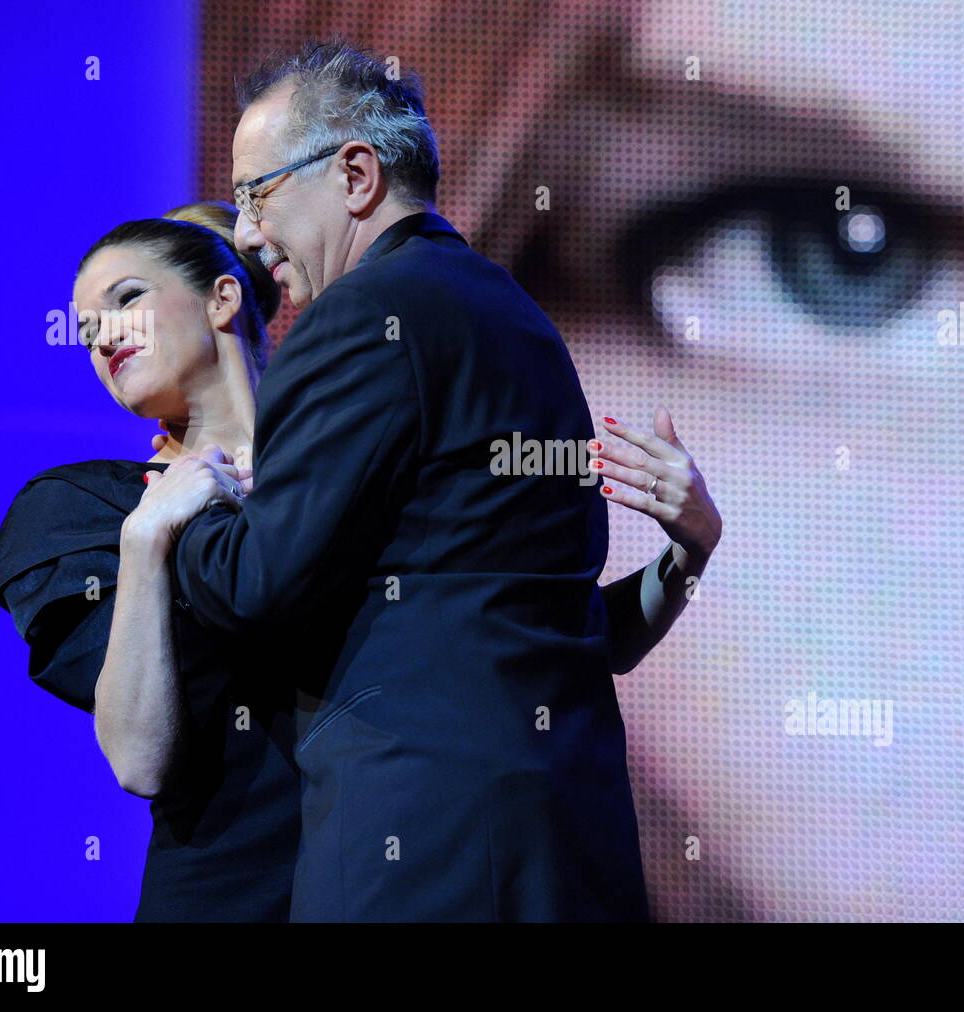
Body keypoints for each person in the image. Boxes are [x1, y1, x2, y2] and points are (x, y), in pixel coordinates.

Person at [0, 201, 721, 920]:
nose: (102, 337)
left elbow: (560, 641)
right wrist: (149, 540)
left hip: (417, 881)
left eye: (127, 299)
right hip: (236, 896)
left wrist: (690, 550)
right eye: (87, 331)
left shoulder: (365, 470)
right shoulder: (92, 509)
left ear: (222, 297)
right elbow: (139, 762)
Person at [146, 38, 706, 921]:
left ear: (357, 175)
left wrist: (181, 506)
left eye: (256, 194)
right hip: (564, 842)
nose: (247, 236)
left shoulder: (359, 317)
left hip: (426, 848)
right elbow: (537, 620)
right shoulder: (514, 316)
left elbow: (256, 584)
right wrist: (686, 560)